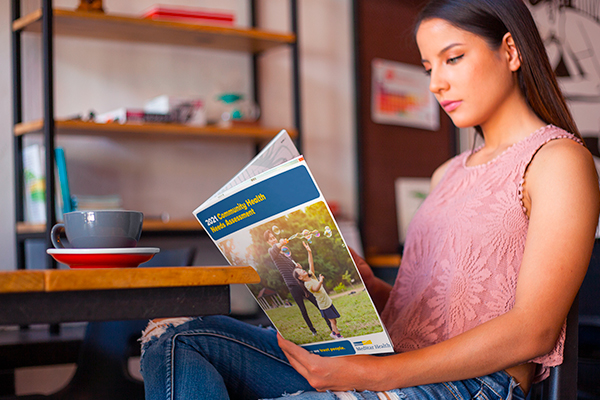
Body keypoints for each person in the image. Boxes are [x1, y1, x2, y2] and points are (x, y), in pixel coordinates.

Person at [139, 0, 600, 399]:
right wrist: (370, 288)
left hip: (469, 384)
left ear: (511, 51)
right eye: (428, 68)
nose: (436, 83)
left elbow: (533, 329)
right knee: (178, 339)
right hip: (386, 362)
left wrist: (369, 373)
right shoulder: (447, 173)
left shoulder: (557, 160)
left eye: (453, 58)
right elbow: (428, 306)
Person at [264, 229, 332, 336]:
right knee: (303, 310)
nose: (273, 239)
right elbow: (275, 248)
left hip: (301, 283)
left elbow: (291, 268)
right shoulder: (272, 252)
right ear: (268, 242)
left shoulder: (285, 253)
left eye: (274, 237)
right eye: (270, 239)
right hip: (292, 286)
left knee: (318, 303)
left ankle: (331, 326)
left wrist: (297, 267)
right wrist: (281, 243)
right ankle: (313, 330)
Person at [293, 242, 344, 339]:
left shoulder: (311, 276)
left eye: (301, 269)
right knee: (332, 321)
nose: (302, 270)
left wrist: (309, 252)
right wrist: (320, 282)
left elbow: (310, 263)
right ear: (300, 277)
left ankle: (333, 332)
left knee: (334, 320)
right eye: (299, 272)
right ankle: (337, 335)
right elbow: (315, 289)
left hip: (327, 302)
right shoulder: (307, 284)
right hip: (324, 305)